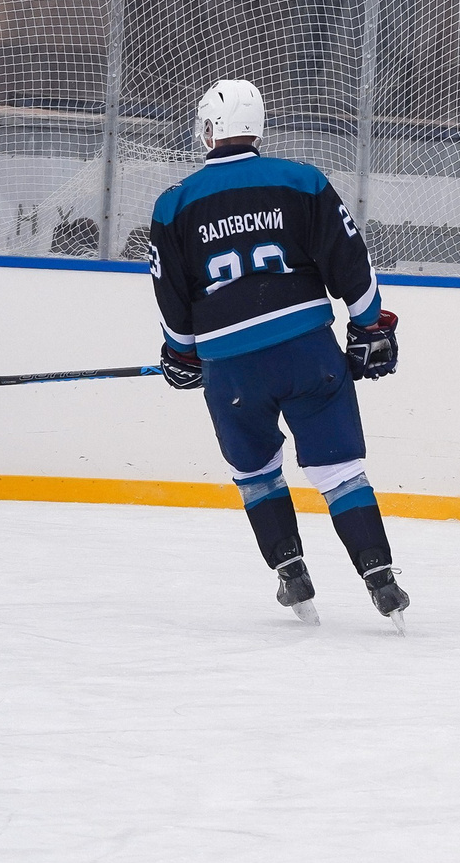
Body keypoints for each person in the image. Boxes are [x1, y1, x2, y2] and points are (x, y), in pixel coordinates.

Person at [147, 78, 408, 627]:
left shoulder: (175, 206)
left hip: (233, 367)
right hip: (308, 351)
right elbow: (351, 261)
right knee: (341, 473)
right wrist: (367, 325)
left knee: (258, 472)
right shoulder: (303, 181)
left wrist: (181, 352)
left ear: (211, 128)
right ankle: (380, 577)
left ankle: (292, 574)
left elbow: (172, 296)